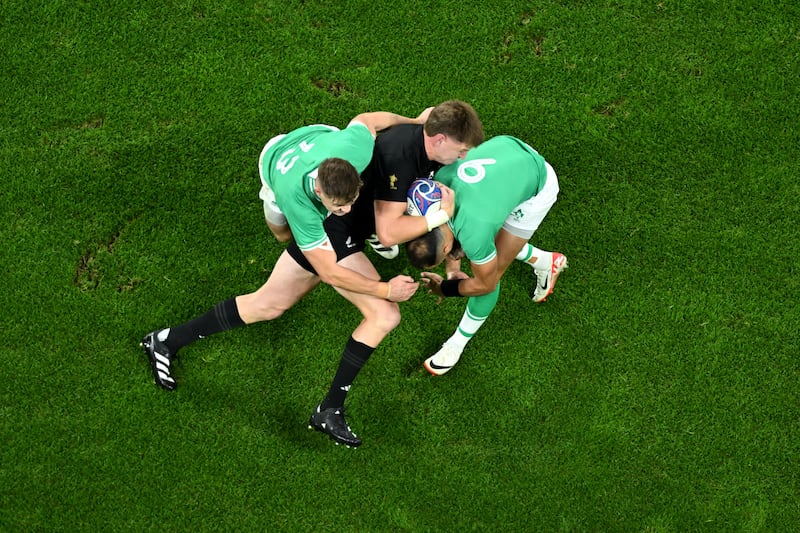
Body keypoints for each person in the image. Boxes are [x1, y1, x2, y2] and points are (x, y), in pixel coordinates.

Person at [141, 109, 427, 448]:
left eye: (351, 202)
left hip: (312, 141)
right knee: (288, 256)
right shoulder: (299, 204)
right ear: (320, 192)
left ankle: (165, 340)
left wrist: (415, 122)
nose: (347, 209)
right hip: (276, 173)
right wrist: (385, 288)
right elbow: (329, 271)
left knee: (271, 304)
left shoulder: (353, 147)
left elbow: (368, 119)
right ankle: (329, 409)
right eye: (339, 207)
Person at [406, 135, 568, 376]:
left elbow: (486, 283)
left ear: (443, 249)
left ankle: (455, 345)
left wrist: (447, 288)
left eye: (444, 258)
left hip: (539, 182)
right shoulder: (435, 194)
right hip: (507, 148)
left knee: (494, 267)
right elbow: (454, 233)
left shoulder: (475, 233)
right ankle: (546, 262)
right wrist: (452, 270)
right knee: (491, 246)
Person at [327, 100, 485, 261]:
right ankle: (376, 226)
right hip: (341, 223)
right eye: (462, 150)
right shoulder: (399, 160)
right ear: (439, 140)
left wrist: (415, 121)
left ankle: (376, 225)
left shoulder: (426, 141)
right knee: (370, 283)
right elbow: (387, 234)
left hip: (376, 206)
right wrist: (444, 214)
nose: (464, 156)